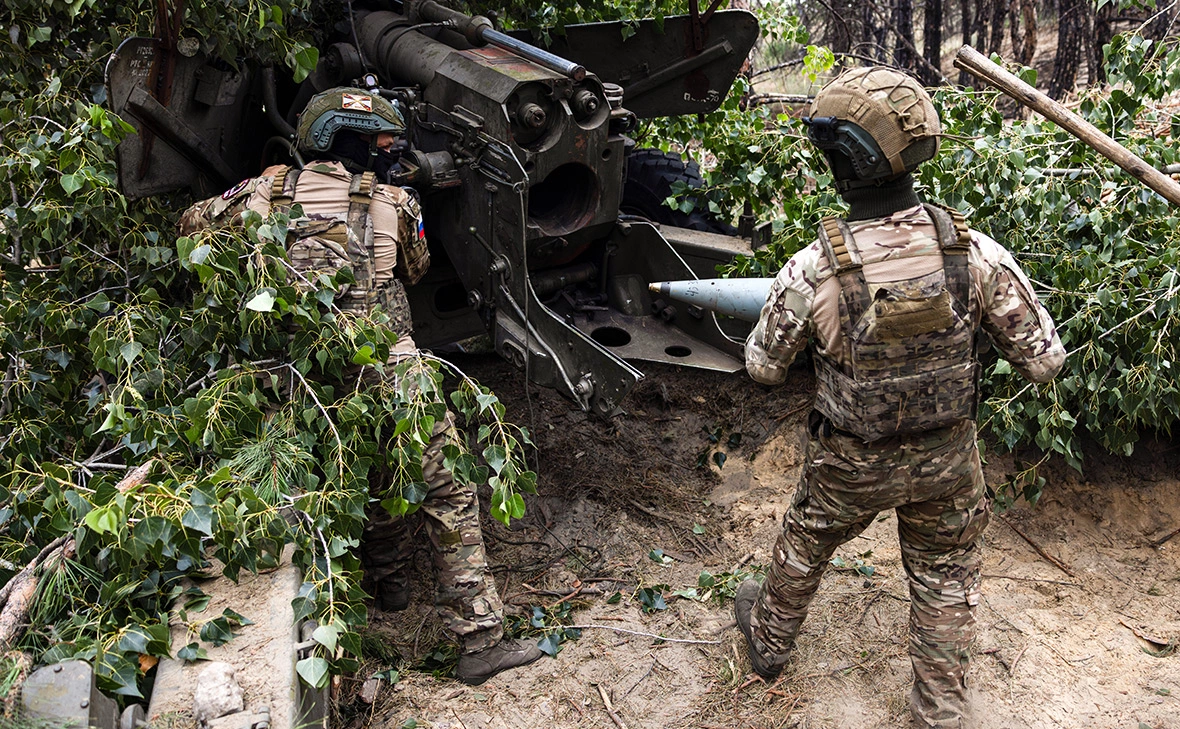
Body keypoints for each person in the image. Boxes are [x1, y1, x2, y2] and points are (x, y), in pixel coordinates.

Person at [178, 87, 542, 685]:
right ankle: (478, 640)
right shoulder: (397, 202)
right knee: (442, 490)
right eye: (381, 143)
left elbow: (193, 229)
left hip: (299, 379)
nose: (389, 152)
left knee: (336, 481)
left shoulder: (263, 194)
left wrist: (260, 203)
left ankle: (384, 584)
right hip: (390, 370)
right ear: (357, 145)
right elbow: (415, 270)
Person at [736, 67, 1065, 728]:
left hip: (849, 465)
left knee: (805, 542)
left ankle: (768, 645)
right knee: (946, 576)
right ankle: (939, 709)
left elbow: (763, 367)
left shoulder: (813, 268)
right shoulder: (975, 255)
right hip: (947, 463)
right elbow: (1044, 361)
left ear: (842, 161)